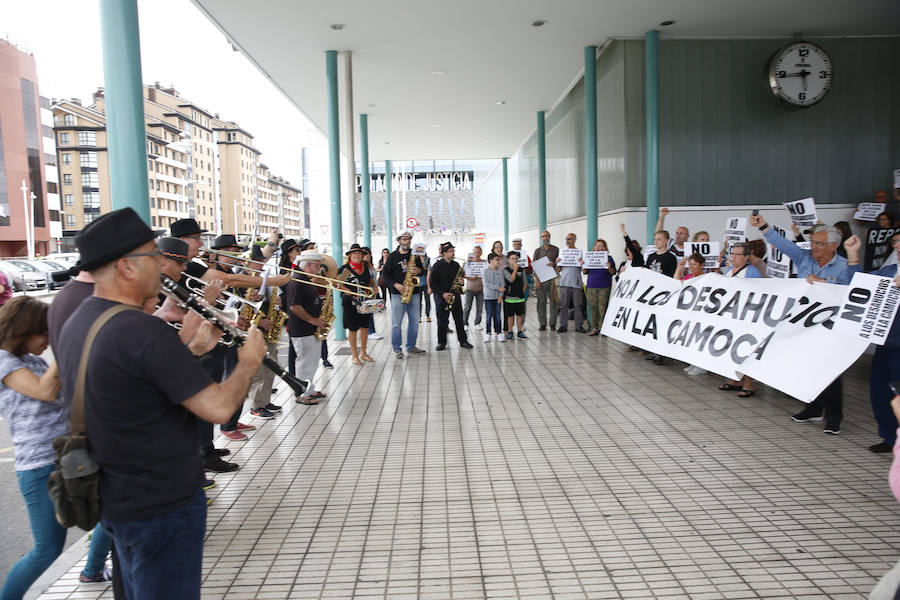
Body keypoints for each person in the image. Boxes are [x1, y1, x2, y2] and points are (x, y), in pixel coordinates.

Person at [56, 208, 266, 599]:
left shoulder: (81, 319)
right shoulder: (141, 330)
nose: (162, 265)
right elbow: (218, 409)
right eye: (153, 255)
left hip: (121, 499)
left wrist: (194, 349)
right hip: (162, 503)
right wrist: (249, 363)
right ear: (126, 267)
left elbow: (134, 393)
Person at [752, 213, 857, 434]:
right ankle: (813, 408)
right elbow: (782, 244)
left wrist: (824, 285)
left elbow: (853, 295)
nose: (814, 247)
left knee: (831, 373)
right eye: (813, 243)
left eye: (819, 244)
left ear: (833, 245)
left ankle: (835, 417)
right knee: (809, 367)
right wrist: (762, 226)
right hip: (805, 325)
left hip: (831, 329)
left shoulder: (844, 267)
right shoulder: (804, 258)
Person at [0, 297, 65, 600]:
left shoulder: (32, 360)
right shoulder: (4, 362)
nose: (48, 341)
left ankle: (92, 569)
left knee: (114, 517)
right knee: (46, 550)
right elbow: (45, 392)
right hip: (39, 468)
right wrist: (66, 347)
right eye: (45, 333)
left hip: (64, 460)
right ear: (24, 329)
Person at [851, 231, 900, 453]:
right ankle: (890, 438)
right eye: (896, 242)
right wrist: (853, 256)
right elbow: (859, 285)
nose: (897, 246)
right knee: (880, 393)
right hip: (886, 344)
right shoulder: (889, 272)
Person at [285, 250, 327, 405]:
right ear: (308, 265)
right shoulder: (297, 280)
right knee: (304, 361)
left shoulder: (306, 279)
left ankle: (309, 388)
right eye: (317, 265)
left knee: (313, 360)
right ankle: (302, 393)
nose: (319, 269)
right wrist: (312, 320)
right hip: (302, 328)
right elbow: (294, 306)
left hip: (309, 328)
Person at [381, 231, 426, 359]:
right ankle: (397, 348)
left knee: (415, 322)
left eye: (409, 239)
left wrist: (419, 270)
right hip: (398, 294)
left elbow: (422, 271)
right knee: (396, 323)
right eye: (404, 239)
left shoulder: (415, 255)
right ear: (399, 241)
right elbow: (384, 275)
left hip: (415, 293)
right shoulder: (392, 256)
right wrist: (395, 285)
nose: (407, 241)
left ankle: (411, 346)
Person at [430, 242, 473, 351]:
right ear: (444, 253)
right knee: (442, 321)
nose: (453, 253)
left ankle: (463, 341)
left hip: (455, 296)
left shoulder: (456, 265)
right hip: (442, 297)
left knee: (459, 319)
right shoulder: (437, 265)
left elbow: (461, 280)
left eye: (453, 251)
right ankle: (441, 342)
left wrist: (461, 282)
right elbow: (432, 283)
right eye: (450, 251)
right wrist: (442, 294)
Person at [337, 244, 375, 365]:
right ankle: (354, 355)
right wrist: (346, 290)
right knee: (352, 328)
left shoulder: (366, 267)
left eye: (359, 253)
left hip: (364, 301)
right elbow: (338, 284)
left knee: (365, 326)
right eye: (354, 254)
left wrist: (374, 287)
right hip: (350, 303)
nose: (357, 255)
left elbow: (371, 281)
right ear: (349, 256)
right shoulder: (346, 269)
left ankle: (363, 353)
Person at [583, 239, 616, 336]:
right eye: (596, 246)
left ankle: (604, 328)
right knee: (593, 308)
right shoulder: (589, 258)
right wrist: (583, 265)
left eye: (600, 246)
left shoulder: (609, 258)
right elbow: (585, 272)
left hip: (604, 286)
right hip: (591, 286)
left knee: (603, 308)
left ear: (605, 248)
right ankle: (595, 327)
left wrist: (609, 266)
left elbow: (613, 272)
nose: (597, 248)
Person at [556, 233, 585, 334]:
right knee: (564, 305)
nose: (567, 241)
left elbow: (583, 270)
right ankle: (563, 325)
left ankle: (579, 326)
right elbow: (559, 269)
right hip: (564, 282)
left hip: (576, 282)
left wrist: (582, 263)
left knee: (578, 305)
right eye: (566, 239)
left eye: (569, 239)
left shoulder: (580, 252)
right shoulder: (562, 252)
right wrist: (557, 262)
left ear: (574, 240)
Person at [533, 230, 559, 331]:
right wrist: (537, 281)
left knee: (554, 302)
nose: (545, 238)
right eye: (543, 236)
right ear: (541, 238)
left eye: (546, 236)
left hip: (553, 279)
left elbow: (560, 264)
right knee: (541, 302)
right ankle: (542, 323)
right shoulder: (538, 251)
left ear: (549, 237)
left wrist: (554, 264)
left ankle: (553, 323)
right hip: (541, 280)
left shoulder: (556, 249)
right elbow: (535, 266)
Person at [481, 252, 506, 343]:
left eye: (499, 260)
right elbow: (486, 284)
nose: (498, 261)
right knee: (489, 316)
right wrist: (497, 288)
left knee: (498, 316)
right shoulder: (485, 271)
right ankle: (488, 333)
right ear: (491, 261)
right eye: (497, 260)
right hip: (488, 297)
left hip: (497, 298)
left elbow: (502, 284)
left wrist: (501, 296)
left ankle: (499, 333)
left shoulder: (499, 271)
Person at [503, 250, 527, 340]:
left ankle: (520, 331)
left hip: (520, 297)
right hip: (509, 296)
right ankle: (510, 331)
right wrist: (515, 269)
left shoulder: (522, 269)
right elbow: (511, 279)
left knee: (519, 315)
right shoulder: (505, 270)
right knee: (510, 315)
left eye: (516, 259)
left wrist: (522, 292)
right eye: (512, 259)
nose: (515, 260)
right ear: (508, 260)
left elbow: (525, 283)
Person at [361, 247, 383, 340]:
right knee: (368, 312)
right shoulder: (363, 266)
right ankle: (370, 332)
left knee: (371, 311)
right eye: (364, 254)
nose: (366, 255)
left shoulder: (370, 264)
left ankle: (370, 331)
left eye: (367, 253)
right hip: (367, 291)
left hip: (373, 291)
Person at [462, 245, 485, 330]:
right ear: (472, 253)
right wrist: (471, 278)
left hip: (481, 289)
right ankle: (465, 323)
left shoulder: (484, 263)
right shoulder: (467, 263)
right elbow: (462, 275)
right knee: (467, 307)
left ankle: (477, 323)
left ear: (481, 253)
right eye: (475, 252)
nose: (477, 254)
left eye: (479, 252)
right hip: (470, 289)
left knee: (480, 308)